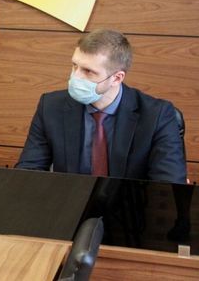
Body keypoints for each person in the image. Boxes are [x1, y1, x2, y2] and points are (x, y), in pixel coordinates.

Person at [16, 29, 186, 184]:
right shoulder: (51, 106)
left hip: (131, 206)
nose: (76, 77)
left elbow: (167, 187)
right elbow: (28, 172)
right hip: (71, 203)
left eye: (88, 71)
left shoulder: (157, 115)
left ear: (117, 78)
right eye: (75, 66)